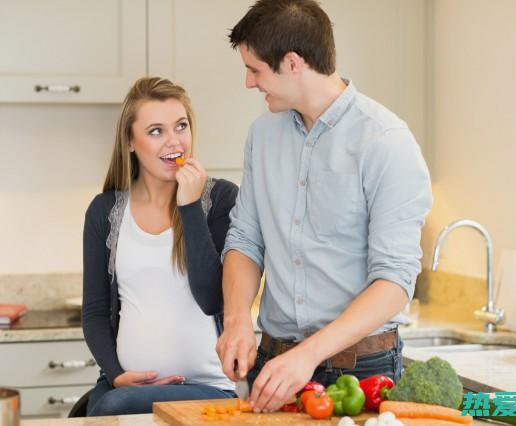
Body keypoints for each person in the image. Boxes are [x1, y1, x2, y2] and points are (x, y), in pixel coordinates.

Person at [216, 0, 433, 414]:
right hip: (275, 365)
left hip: (363, 372)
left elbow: (394, 282)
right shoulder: (262, 136)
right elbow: (245, 239)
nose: (248, 82)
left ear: (293, 63)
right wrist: (238, 318)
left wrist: (308, 354)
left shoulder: (386, 142)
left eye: (255, 70)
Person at [82, 77, 238, 416]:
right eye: (156, 131)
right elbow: (94, 312)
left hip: (209, 388)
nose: (174, 142)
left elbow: (212, 298)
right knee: (104, 406)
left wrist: (190, 207)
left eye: (181, 126)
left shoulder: (221, 198)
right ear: (130, 142)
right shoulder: (105, 210)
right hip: (122, 387)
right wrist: (118, 376)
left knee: (108, 409)